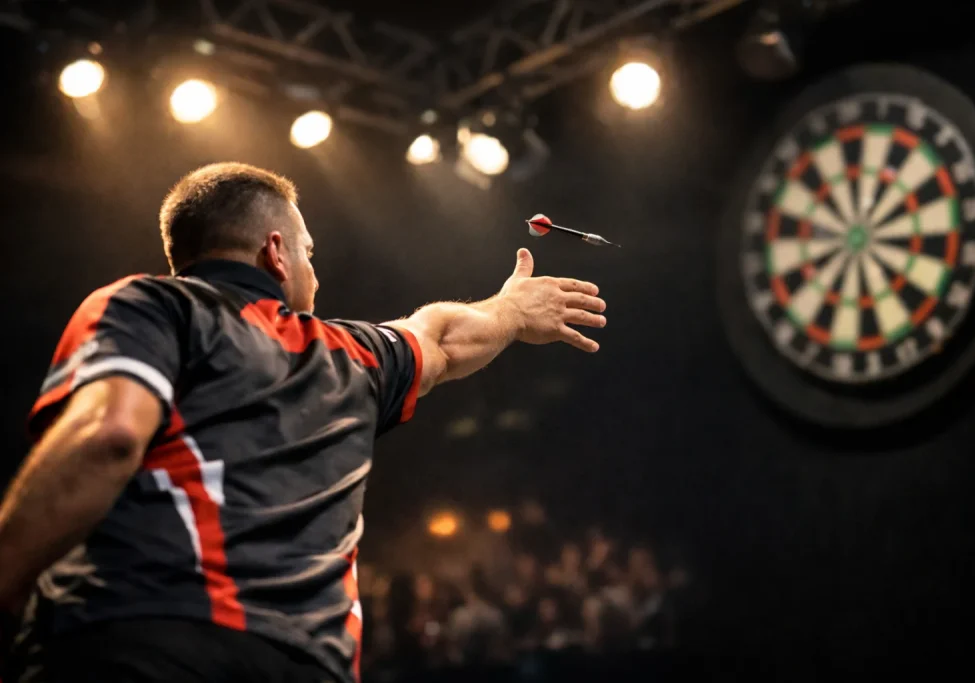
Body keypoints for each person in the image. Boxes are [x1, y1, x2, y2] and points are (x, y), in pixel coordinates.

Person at [0, 162, 607, 683]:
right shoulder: (350, 353)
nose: (315, 272)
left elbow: (107, 433)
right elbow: (442, 337)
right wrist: (509, 309)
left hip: (137, 643)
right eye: (308, 252)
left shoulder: (140, 306)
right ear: (276, 251)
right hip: (302, 661)